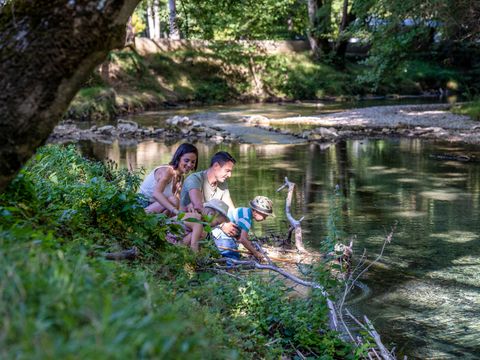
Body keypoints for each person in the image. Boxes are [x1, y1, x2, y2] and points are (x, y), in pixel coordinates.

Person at [180, 151, 238, 236]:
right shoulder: (195, 179)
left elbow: (230, 209)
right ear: (216, 166)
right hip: (187, 224)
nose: (229, 175)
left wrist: (239, 222)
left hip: (208, 224)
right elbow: (198, 207)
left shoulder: (222, 183)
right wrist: (222, 224)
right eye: (227, 171)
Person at [138, 143, 198, 215]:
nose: (189, 164)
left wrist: (188, 207)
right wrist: (175, 211)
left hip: (156, 207)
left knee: (176, 202)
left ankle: (165, 224)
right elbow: (156, 194)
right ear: (178, 158)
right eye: (186, 160)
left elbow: (178, 204)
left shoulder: (180, 177)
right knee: (173, 200)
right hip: (141, 206)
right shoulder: (168, 171)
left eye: (193, 162)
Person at [211, 195, 275, 262]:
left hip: (215, 232)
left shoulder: (244, 211)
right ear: (255, 212)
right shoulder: (246, 219)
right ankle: (230, 270)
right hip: (221, 235)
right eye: (264, 216)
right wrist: (255, 253)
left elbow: (239, 235)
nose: (265, 219)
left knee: (232, 253)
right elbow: (242, 239)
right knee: (233, 258)